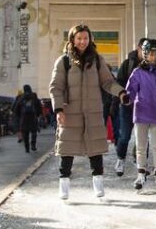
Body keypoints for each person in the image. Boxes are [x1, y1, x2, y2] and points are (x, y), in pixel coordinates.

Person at [49, 24, 127, 200]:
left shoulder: (97, 60)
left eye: (85, 38)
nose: (82, 41)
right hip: (71, 111)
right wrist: (59, 109)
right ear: (72, 40)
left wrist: (121, 92)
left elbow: (108, 82)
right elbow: (56, 87)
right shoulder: (64, 61)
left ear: (90, 39)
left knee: (95, 148)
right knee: (66, 149)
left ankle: (98, 183)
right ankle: (64, 184)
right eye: (79, 38)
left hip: (92, 111)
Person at [126, 39, 156, 191]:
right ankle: (141, 174)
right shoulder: (138, 72)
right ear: (144, 54)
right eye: (150, 54)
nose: (154, 57)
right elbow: (130, 90)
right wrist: (126, 97)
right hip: (141, 113)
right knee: (141, 147)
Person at [114, 38, 146, 176]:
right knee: (125, 136)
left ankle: (140, 163)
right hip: (127, 106)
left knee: (143, 138)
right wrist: (122, 98)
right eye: (143, 49)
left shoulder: (153, 65)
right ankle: (120, 159)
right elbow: (119, 83)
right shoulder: (128, 64)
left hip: (145, 107)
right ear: (138, 48)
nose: (146, 53)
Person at [12, 85, 43, 153]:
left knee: (25, 134)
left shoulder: (21, 97)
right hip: (33, 118)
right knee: (34, 132)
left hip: (24, 119)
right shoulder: (34, 96)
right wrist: (37, 115)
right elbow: (39, 108)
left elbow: (15, 108)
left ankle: (27, 148)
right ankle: (33, 145)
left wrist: (20, 116)